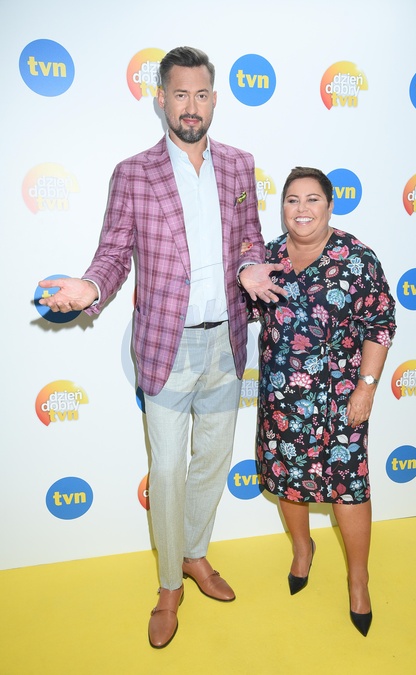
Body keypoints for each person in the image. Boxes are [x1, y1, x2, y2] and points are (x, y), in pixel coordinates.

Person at [38, 46, 285, 649]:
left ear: (215, 100)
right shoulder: (133, 173)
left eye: (201, 95)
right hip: (166, 347)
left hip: (226, 342)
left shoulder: (239, 166)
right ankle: (170, 583)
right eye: (180, 95)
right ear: (160, 100)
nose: (190, 106)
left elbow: (250, 240)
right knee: (170, 468)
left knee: (212, 462)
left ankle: (195, 554)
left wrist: (251, 267)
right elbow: (114, 253)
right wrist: (91, 286)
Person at [252, 166, 396, 637]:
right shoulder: (269, 257)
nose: (302, 209)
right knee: (286, 478)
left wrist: (366, 387)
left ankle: (358, 579)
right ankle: (303, 550)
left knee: (349, 488)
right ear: (283, 207)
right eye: (292, 200)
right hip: (281, 397)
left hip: (340, 399)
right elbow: (246, 308)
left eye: (312, 199)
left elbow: (381, 325)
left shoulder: (356, 259)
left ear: (330, 206)